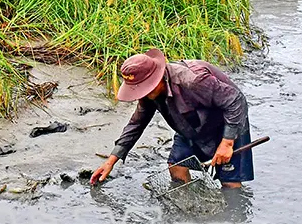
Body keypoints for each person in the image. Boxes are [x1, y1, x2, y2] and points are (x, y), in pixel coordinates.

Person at [90, 48, 254, 189]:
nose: (142, 94)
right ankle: (189, 210)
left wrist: (227, 143)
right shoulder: (149, 95)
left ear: (158, 77)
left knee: (230, 182)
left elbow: (236, 101)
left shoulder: (193, 80)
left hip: (227, 124)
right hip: (189, 126)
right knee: (176, 165)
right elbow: (136, 124)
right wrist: (111, 161)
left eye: (143, 88)